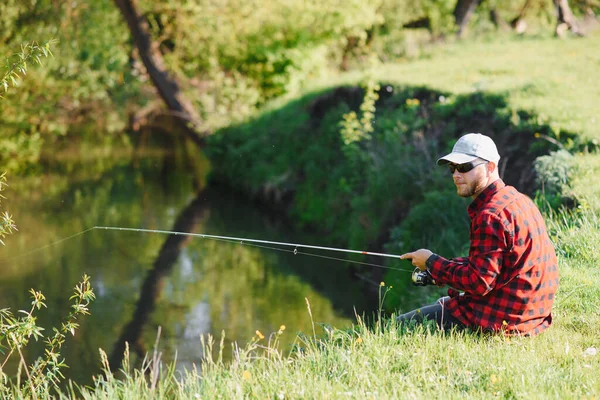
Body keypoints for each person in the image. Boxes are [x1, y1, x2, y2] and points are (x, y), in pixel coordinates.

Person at [397, 133, 559, 336]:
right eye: (452, 168)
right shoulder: (518, 199)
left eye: (464, 167)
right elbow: (491, 263)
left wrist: (431, 261)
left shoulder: (489, 215)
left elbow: (479, 283)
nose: (456, 174)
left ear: (490, 167)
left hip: (503, 321)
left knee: (397, 326)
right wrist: (439, 268)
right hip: (531, 316)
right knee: (443, 304)